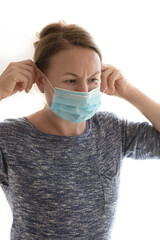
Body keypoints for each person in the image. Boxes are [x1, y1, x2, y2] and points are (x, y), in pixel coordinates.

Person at [0, 21, 160, 240]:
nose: (84, 91)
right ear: (40, 81)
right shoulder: (10, 139)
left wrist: (129, 92)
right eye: (71, 80)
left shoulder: (111, 131)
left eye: (93, 79)